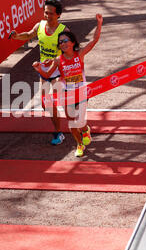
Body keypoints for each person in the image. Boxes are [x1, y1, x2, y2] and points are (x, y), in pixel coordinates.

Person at [32, 13, 103, 157]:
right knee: (71, 123)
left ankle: (85, 129)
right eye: (60, 42)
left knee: (80, 122)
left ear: (72, 42)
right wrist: (38, 68)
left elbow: (94, 40)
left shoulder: (80, 54)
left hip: (82, 93)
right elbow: (47, 75)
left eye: (65, 41)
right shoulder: (57, 60)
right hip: (67, 94)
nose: (62, 44)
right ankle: (79, 144)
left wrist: (99, 23)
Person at [10, 0, 69, 145]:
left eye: (51, 13)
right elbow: (29, 34)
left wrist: (55, 61)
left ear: (58, 15)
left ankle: (65, 130)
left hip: (58, 70)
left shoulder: (64, 31)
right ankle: (60, 130)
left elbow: (69, 53)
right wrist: (17, 36)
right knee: (45, 103)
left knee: (58, 101)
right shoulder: (40, 25)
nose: (47, 16)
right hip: (43, 71)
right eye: (45, 12)